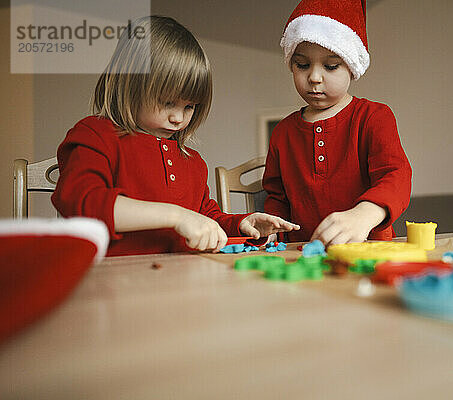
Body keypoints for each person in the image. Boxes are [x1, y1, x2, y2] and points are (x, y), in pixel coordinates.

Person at [52, 16, 299, 256]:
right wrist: (176, 216)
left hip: (181, 281)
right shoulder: (95, 135)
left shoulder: (193, 161)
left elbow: (205, 218)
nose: (178, 118)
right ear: (129, 84)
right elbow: (82, 202)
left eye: (189, 107)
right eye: (168, 102)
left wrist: (241, 224)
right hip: (113, 284)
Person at [262, 0, 412, 246]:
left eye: (331, 66)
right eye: (302, 64)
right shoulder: (283, 133)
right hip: (303, 257)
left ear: (352, 67)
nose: (314, 77)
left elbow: (396, 176)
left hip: (369, 252)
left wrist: (364, 215)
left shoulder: (374, 117)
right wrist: (272, 228)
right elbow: (277, 198)